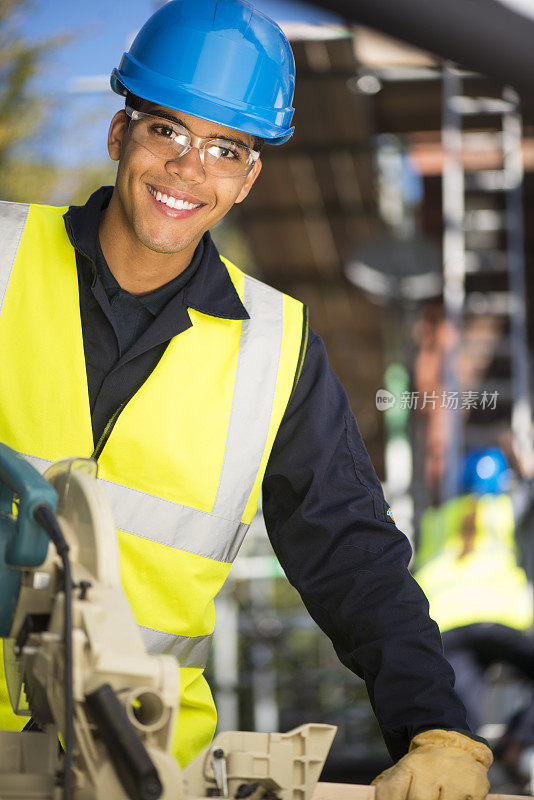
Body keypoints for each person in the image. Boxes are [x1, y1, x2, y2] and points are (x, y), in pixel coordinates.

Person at [0, 1, 492, 797]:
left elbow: (352, 552)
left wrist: (437, 727)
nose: (189, 169)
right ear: (121, 134)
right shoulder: (3, 258)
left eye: (225, 148)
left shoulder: (277, 345)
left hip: (142, 766)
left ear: (249, 177)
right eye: (167, 130)